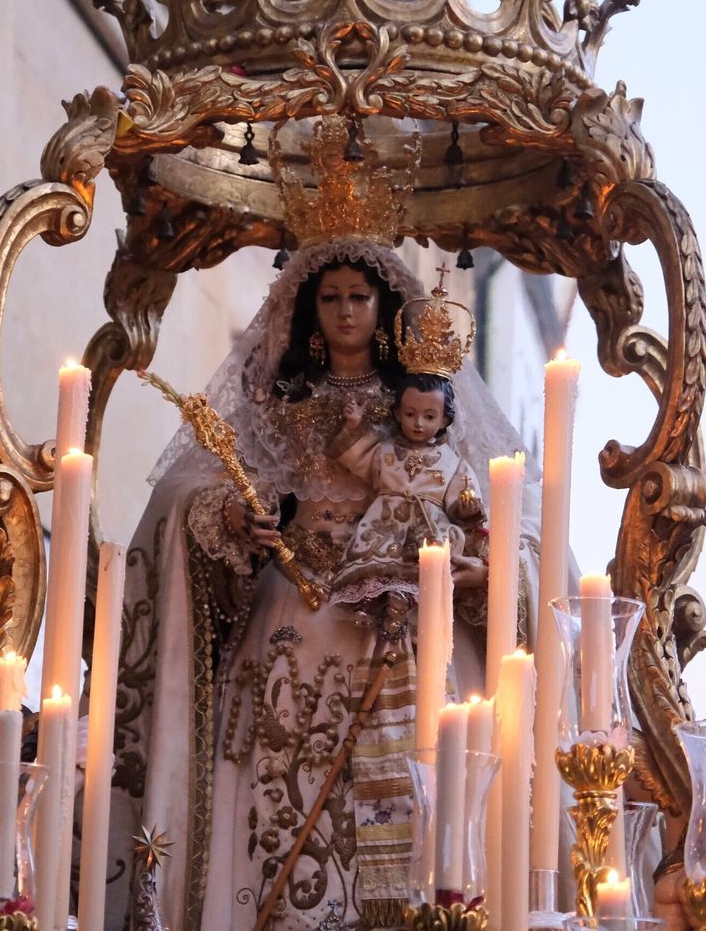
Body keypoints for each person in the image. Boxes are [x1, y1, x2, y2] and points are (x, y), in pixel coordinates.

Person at [104, 238, 541, 931]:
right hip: (294, 609)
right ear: (310, 307)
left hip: (403, 614)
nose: (345, 313)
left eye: (359, 298)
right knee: (278, 793)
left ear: (383, 309)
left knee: (422, 779)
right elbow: (208, 494)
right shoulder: (280, 398)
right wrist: (239, 517)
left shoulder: (421, 400)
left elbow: (485, 507)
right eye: (331, 297)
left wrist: (487, 564)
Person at [328, 373, 487, 614]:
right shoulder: (385, 451)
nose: (419, 423)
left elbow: (462, 497)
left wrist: (466, 506)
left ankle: (408, 603)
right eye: (410, 414)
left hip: (429, 525)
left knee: (433, 558)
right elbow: (354, 457)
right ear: (397, 413)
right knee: (373, 556)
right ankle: (370, 602)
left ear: (444, 420)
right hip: (385, 522)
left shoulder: (452, 462)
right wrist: (353, 427)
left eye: (429, 416)